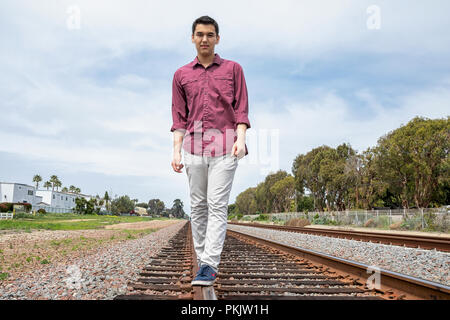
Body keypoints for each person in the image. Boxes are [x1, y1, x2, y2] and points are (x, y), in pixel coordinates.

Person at [170, 16, 251, 286]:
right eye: (200, 34)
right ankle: (203, 257)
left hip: (226, 147)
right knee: (198, 206)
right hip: (193, 148)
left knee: (217, 206)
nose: (205, 39)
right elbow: (179, 117)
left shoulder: (233, 69)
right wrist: (176, 152)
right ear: (192, 38)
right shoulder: (181, 75)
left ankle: (209, 265)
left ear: (218, 38)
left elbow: (241, 109)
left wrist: (240, 139)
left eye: (210, 34)